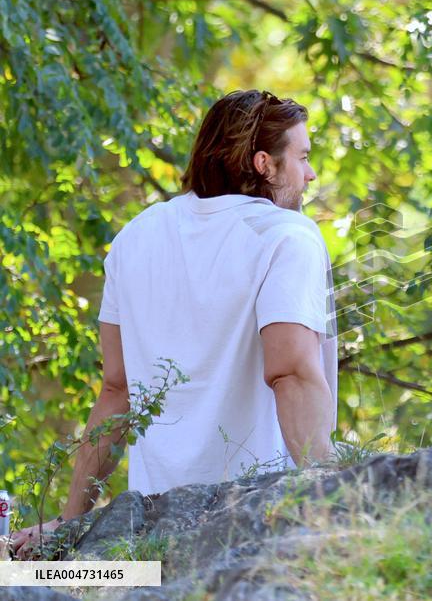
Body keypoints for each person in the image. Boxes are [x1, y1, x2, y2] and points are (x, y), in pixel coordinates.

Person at [10, 89, 338, 558]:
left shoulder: (135, 236)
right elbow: (293, 373)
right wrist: (333, 497)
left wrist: (71, 520)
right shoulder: (287, 235)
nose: (309, 174)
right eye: (302, 158)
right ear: (265, 164)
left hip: (151, 532)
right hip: (254, 523)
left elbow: (115, 393)